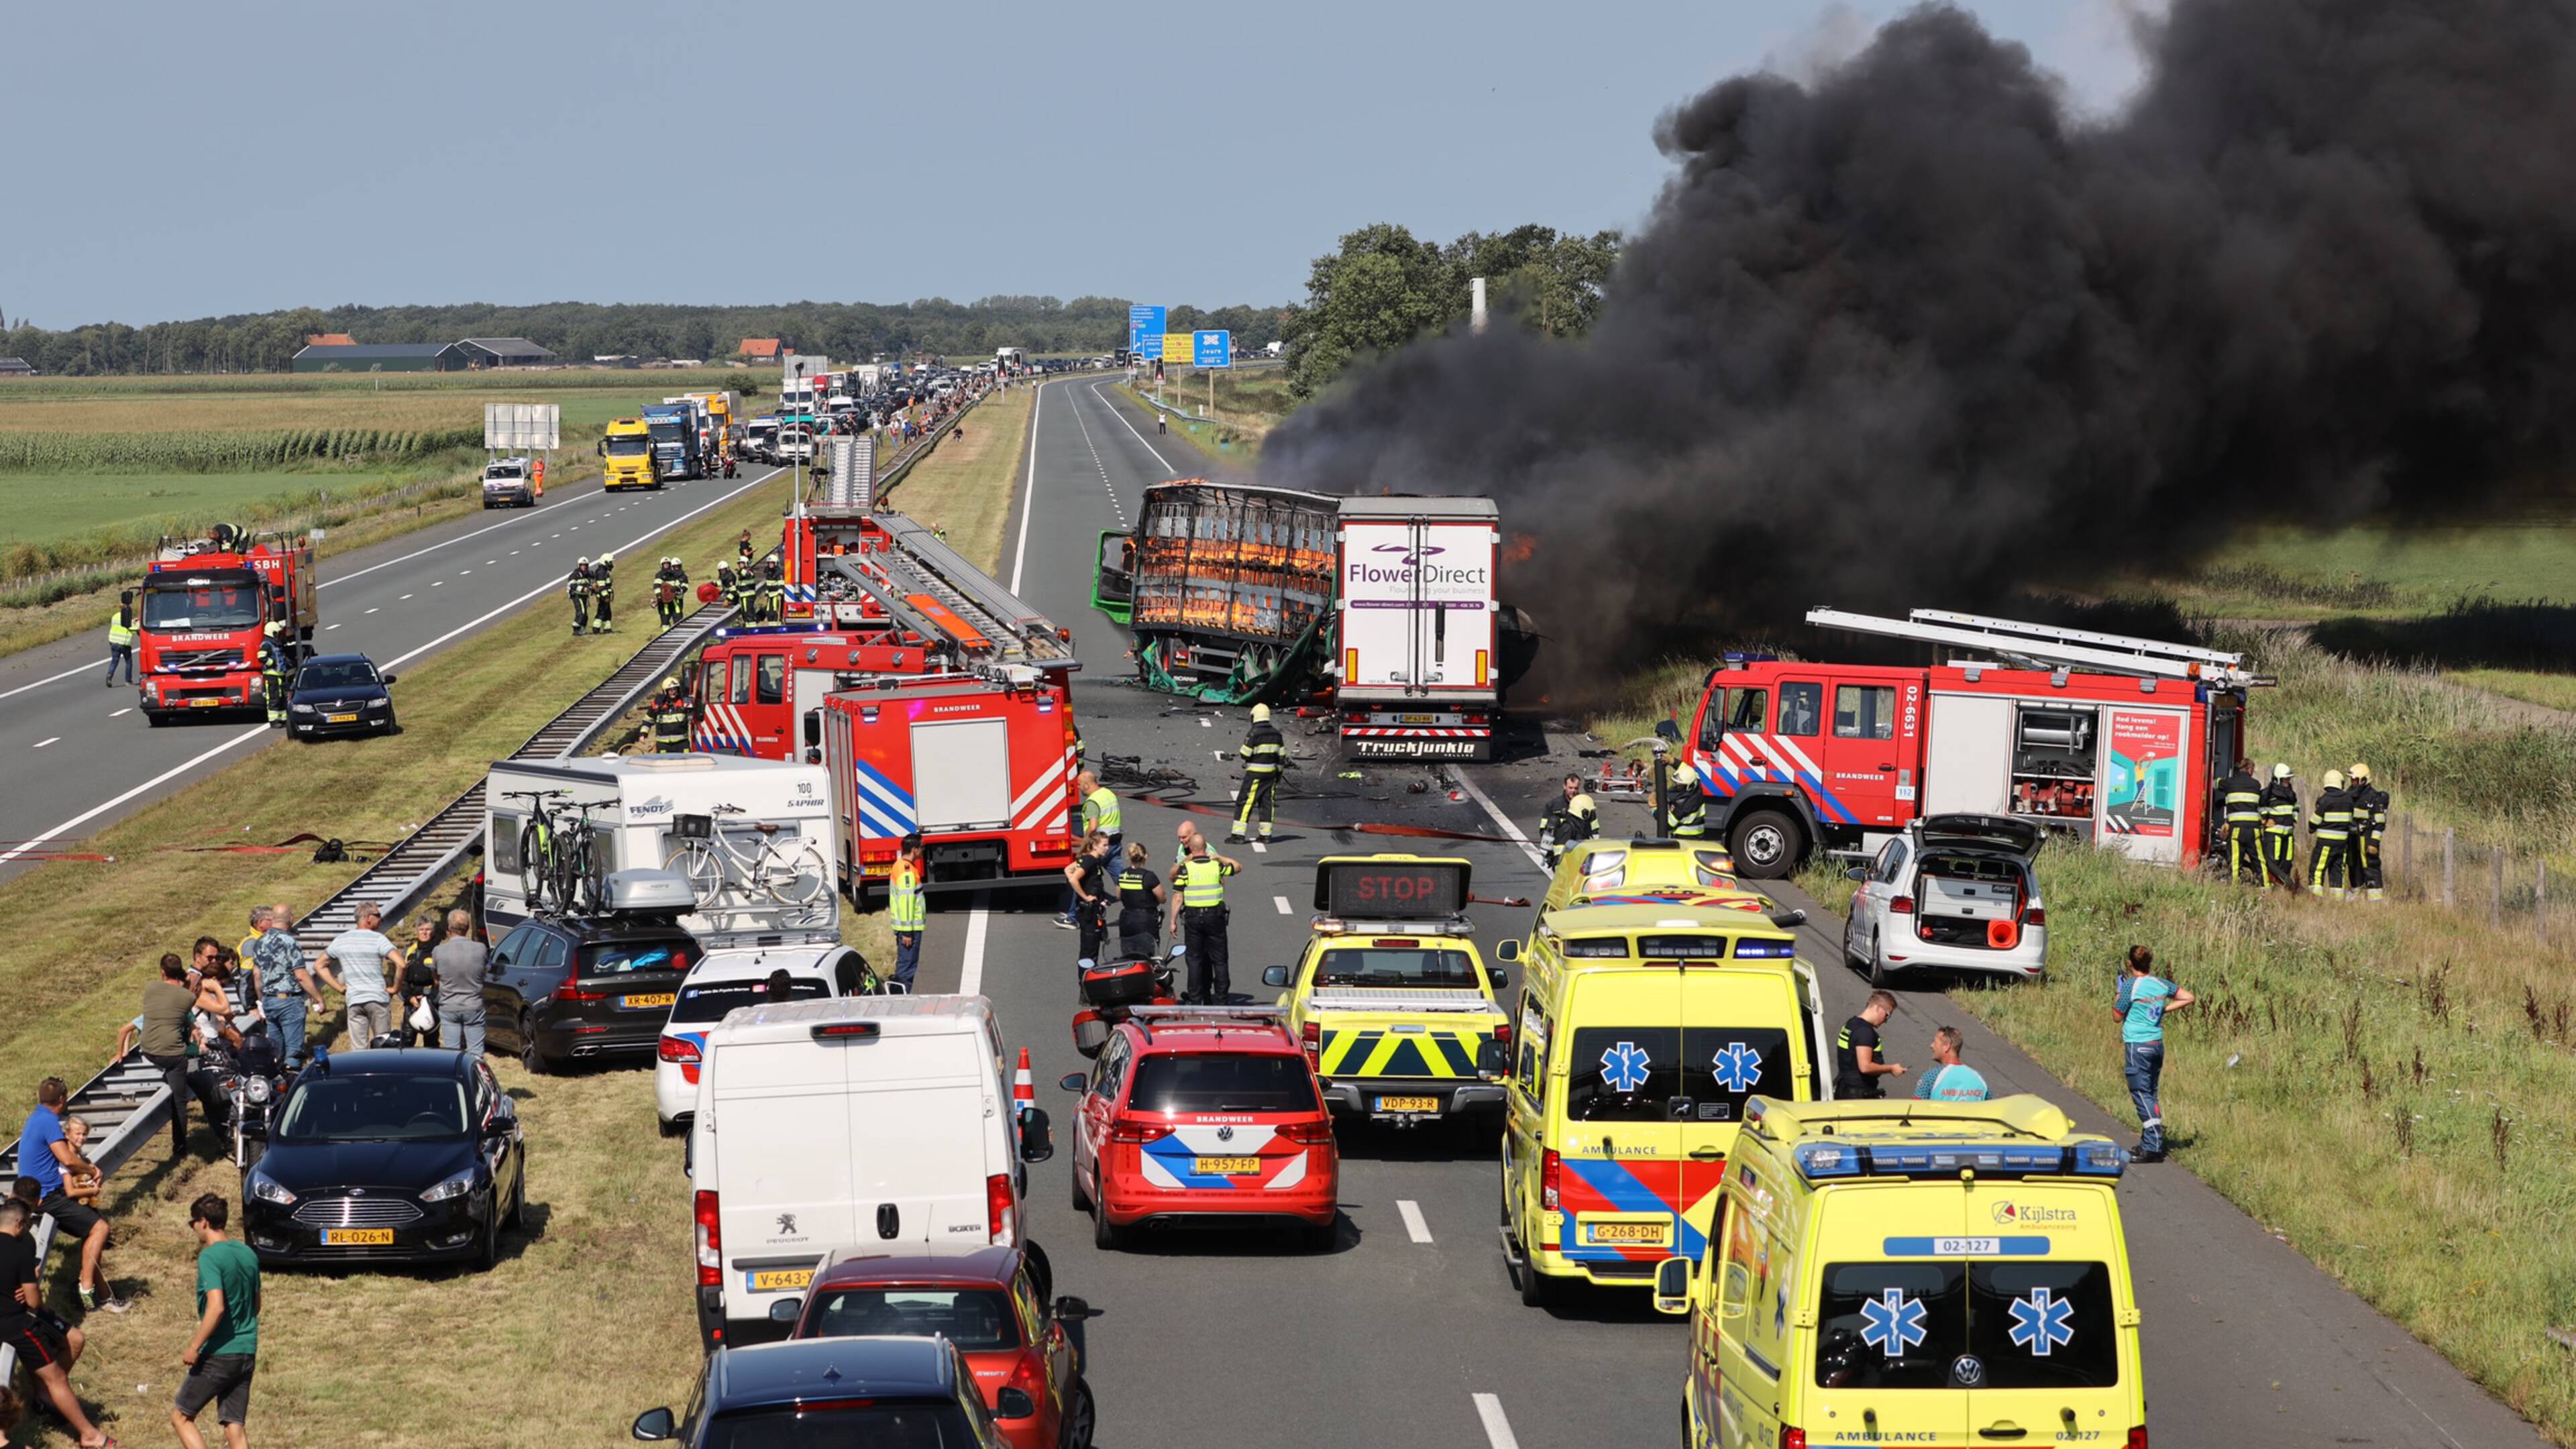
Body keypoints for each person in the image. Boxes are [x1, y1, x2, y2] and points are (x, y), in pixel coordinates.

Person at [0, 1199, 110, 1448]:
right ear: (19, 1223)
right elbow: (34, 1302)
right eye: (26, 1225)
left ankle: (43, 1398)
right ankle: (88, 1434)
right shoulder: (19, 1251)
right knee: (57, 1378)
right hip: (15, 1325)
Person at [15, 1078, 113, 1316]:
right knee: (99, 1229)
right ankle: (86, 1288)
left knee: (95, 1228)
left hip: (30, 1189)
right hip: (47, 1194)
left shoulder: (35, 1117)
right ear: (62, 1099)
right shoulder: (49, 1121)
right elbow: (67, 1159)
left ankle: (102, 1293)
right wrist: (92, 1170)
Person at [172, 1192, 260, 1449]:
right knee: (234, 1426)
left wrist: (194, 1346)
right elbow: (256, 1306)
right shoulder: (248, 1254)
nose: (194, 1229)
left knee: (181, 1417)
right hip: (247, 1351)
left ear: (203, 1222)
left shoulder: (210, 1257)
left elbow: (217, 1307)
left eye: (193, 1223)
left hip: (220, 1353)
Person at [140, 953, 227, 1158]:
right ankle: (180, 1147)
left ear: (162, 972)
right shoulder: (188, 997)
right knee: (180, 1099)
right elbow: (184, 1009)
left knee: (185, 1070)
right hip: (173, 1056)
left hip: (148, 1050)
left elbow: (173, 1014)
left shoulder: (151, 988)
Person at [2115, 945, 2194, 1162]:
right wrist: (2162, 1009)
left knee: (2140, 1093)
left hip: (2137, 1045)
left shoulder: (2131, 986)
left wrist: (2119, 991)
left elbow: (2116, 1015)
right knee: (2150, 1092)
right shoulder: (2161, 984)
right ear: (2149, 963)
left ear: (2130, 963)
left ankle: (2153, 1146)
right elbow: (2188, 997)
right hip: (2156, 1045)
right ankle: (2149, 1141)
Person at [1169, 827, 1242, 1004]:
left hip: (1193, 918)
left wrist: (1172, 921)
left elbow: (1178, 896)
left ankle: (1195, 999)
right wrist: (1220, 857)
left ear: (1192, 849)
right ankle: (1222, 998)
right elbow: (1238, 867)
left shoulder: (1186, 869)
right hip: (1215, 917)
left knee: (1194, 959)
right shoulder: (1216, 865)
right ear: (1205, 847)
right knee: (1220, 960)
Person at [315, 902, 399, 1049]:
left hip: (354, 999)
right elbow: (402, 964)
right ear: (368, 918)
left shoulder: (342, 940)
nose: (381, 919)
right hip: (377, 998)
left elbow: (319, 966)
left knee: (359, 1050)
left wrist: (340, 988)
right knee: (384, 1047)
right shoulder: (378, 939)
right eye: (378, 916)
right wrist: (395, 988)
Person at [249, 902, 317, 1069]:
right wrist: (318, 997)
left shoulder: (260, 942)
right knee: (294, 1052)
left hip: (269, 1001)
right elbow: (300, 975)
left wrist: (262, 999)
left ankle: (276, 1084)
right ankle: (293, 1083)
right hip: (288, 1001)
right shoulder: (289, 942)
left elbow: (257, 975)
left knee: (275, 1051)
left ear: (272, 919)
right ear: (291, 919)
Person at [433, 909, 488, 1060]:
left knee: (451, 1056)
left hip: (449, 1006)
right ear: (468, 928)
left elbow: (436, 979)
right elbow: (484, 974)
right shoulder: (481, 949)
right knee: (476, 1054)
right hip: (473, 1005)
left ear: (449, 928)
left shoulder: (438, 951)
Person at [1228, 704, 1285, 843]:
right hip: (1271, 775)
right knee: (1267, 804)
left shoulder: (1254, 733)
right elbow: (1281, 757)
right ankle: (1266, 836)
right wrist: (1278, 774)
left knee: (1245, 802)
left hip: (1255, 775)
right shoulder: (1277, 734)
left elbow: (1245, 754)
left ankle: (1238, 835)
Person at [1832, 991, 1907, 1098]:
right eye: (1887, 1015)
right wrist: (1891, 1069)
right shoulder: (1865, 1032)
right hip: (1858, 1094)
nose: (1886, 1021)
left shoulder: (1852, 1024)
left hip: (1843, 1087)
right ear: (1878, 1008)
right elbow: (1865, 1067)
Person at [1065, 832, 1114, 966]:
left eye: (1107, 845)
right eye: (1104, 845)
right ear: (1094, 846)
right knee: (1089, 951)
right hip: (1089, 913)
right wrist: (1086, 897)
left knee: (1093, 948)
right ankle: (1086, 980)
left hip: (1094, 911)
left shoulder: (1091, 860)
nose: (1107, 848)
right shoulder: (1089, 861)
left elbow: (1068, 870)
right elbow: (1074, 880)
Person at [2306, 769, 2355, 899]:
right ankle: (2337, 900)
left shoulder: (2324, 800)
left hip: (2325, 843)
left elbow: (2314, 821)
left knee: (2317, 869)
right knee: (2338, 871)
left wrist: (2311, 828)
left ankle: (2315, 898)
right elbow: (2351, 821)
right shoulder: (2349, 800)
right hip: (2342, 844)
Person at [2219, 757, 2266, 888]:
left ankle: (2234, 888)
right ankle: (2265, 887)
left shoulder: (2229, 783)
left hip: (2236, 830)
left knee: (2235, 860)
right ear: (2250, 770)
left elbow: (2216, 783)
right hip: (2254, 830)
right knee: (2259, 860)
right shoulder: (2256, 784)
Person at [888, 834, 926, 992]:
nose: (923, 851)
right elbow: (906, 903)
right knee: (907, 968)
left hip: (907, 929)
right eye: (922, 848)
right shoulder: (907, 871)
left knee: (905, 966)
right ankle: (899, 1001)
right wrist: (907, 932)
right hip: (909, 930)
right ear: (914, 849)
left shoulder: (900, 866)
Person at [1114, 843, 1165, 959]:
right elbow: (1162, 898)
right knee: (1150, 954)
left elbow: (1118, 895)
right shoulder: (1148, 876)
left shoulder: (1123, 875)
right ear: (1146, 856)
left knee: (1128, 954)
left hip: (1127, 919)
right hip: (1146, 919)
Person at [1912, 1028, 1990, 1102]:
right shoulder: (1980, 1079)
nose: (1932, 1046)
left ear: (1947, 1047)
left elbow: (1915, 1109)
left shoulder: (1931, 1077)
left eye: (1935, 1042)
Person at [2349, 761, 2390, 902]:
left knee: (2370, 866)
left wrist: (2374, 842)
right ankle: (2356, 893)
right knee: (2354, 866)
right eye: (2352, 780)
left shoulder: (2373, 798)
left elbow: (2379, 823)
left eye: (2356, 780)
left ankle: (2375, 898)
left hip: (2367, 837)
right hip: (2353, 837)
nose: (2353, 783)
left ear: (2364, 780)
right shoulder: (2350, 795)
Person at [400, 915, 441, 1047]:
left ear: (433, 932)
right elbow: (401, 979)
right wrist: (409, 998)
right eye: (421, 929)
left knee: (431, 1043)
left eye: (428, 929)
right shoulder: (408, 952)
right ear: (416, 932)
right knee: (406, 1041)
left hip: (431, 1002)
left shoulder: (438, 952)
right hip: (411, 1003)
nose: (424, 932)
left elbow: (442, 981)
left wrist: (430, 999)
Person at [2261, 763, 2301, 888]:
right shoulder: (2268, 793)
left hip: (2288, 835)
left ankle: (2283, 888)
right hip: (2274, 835)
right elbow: (2260, 809)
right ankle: (2271, 888)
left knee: (2287, 862)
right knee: (2273, 863)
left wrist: (2294, 819)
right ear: (2277, 779)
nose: (2288, 782)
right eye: (2285, 779)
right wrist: (2264, 821)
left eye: (2289, 779)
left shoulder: (2291, 794)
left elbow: (2296, 807)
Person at [1544, 773, 1599, 856]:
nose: (1573, 791)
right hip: (1560, 848)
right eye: (1570, 788)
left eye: (1576, 788)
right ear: (1564, 786)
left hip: (1582, 847)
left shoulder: (1586, 805)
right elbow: (1544, 830)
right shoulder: (1553, 806)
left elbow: (1595, 830)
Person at [1076, 769, 1122, 857]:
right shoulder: (1108, 793)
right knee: (1118, 870)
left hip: (1101, 844)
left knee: (1086, 868)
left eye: (1079, 784)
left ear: (1086, 785)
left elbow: (1093, 827)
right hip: (1116, 841)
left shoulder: (1093, 801)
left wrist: (1085, 844)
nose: (1078, 787)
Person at [258, 621, 292, 729]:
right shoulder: (266, 644)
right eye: (277, 633)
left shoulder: (275, 644)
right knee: (274, 698)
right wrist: (271, 663)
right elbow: (261, 657)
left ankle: (282, 718)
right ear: (272, 633)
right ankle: (273, 720)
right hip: (272, 676)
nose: (279, 635)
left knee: (282, 697)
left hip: (280, 675)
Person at [648, 677, 693, 753]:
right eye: (670, 690)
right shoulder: (658, 704)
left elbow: (695, 716)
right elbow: (648, 720)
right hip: (663, 745)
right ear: (665, 691)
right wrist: (643, 734)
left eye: (675, 689)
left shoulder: (685, 702)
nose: (673, 692)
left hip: (682, 744)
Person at [1666, 762, 1710, 839]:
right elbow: (1690, 770)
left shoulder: (1681, 804)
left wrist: (1654, 808)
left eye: (1681, 785)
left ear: (1689, 786)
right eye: (1676, 783)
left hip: (1683, 836)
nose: (1677, 787)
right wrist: (1673, 761)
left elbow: (1668, 824)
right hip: (1699, 834)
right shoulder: (1697, 786)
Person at [105, 590, 139, 688]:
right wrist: (136, 624)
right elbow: (132, 628)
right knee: (128, 661)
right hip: (124, 643)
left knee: (114, 661)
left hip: (113, 642)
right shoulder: (127, 618)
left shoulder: (115, 616)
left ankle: (110, 675)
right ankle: (128, 681)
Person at [590, 549, 616, 633]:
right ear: (606, 562)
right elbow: (602, 587)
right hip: (603, 596)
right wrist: (605, 597)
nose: (612, 565)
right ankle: (596, 628)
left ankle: (607, 629)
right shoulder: (602, 572)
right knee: (602, 612)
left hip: (605, 596)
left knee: (607, 613)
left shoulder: (604, 571)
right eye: (610, 563)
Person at [567, 557, 594, 637]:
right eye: (582, 565)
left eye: (585, 565)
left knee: (585, 614)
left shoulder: (590, 573)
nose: (584, 567)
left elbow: (593, 582)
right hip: (577, 595)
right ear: (579, 565)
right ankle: (576, 629)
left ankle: (583, 629)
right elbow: (572, 585)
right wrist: (582, 589)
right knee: (581, 612)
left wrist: (594, 588)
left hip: (585, 596)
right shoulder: (575, 574)